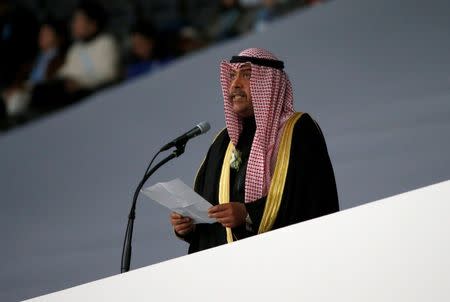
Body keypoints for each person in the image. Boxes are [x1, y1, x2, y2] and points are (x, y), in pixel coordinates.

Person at [170, 48, 339, 253]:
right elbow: (208, 210)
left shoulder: (297, 129)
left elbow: (311, 199)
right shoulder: (224, 142)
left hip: (284, 257)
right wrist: (189, 226)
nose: (235, 84)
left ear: (269, 83)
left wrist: (249, 214)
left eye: (247, 75)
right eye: (232, 76)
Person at [31, 0, 120, 110]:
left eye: (78, 20)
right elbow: (66, 71)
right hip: (70, 90)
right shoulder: (75, 48)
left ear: (92, 24)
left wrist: (79, 83)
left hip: (93, 93)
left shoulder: (106, 42)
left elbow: (109, 75)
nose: (74, 24)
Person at [1, 18, 67, 117]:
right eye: (41, 33)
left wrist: (24, 88)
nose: (41, 37)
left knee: (15, 101)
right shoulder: (34, 60)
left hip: (39, 94)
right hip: (24, 90)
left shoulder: (60, 59)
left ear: (57, 37)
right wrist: (13, 88)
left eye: (46, 34)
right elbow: (20, 79)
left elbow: (50, 82)